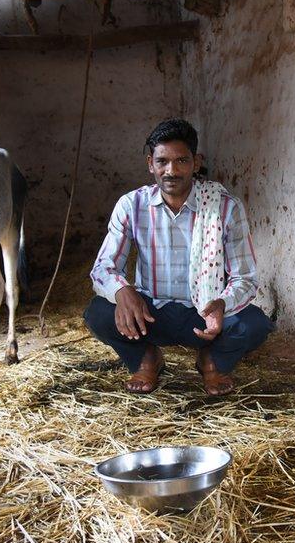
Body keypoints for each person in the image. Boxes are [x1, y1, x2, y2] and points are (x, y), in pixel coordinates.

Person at [84, 118, 273, 395]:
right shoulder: (131, 205)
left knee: (254, 324)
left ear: (196, 163)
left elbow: (245, 278)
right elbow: (103, 267)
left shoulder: (225, 208)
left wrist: (221, 304)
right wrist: (122, 291)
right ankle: (146, 358)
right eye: (162, 162)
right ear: (150, 163)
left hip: (204, 314)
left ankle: (212, 361)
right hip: (150, 316)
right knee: (98, 314)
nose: (171, 171)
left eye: (181, 161)